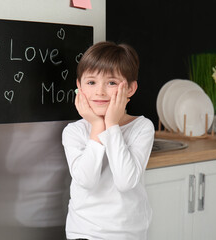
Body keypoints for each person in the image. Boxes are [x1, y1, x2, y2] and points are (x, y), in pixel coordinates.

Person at [62, 41, 154, 240]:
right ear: (79, 86)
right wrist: (97, 126)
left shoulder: (142, 127)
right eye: (91, 82)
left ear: (130, 88)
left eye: (111, 83)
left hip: (129, 234)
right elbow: (86, 181)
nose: (100, 91)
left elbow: (125, 182)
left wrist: (111, 124)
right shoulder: (74, 131)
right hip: (83, 232)